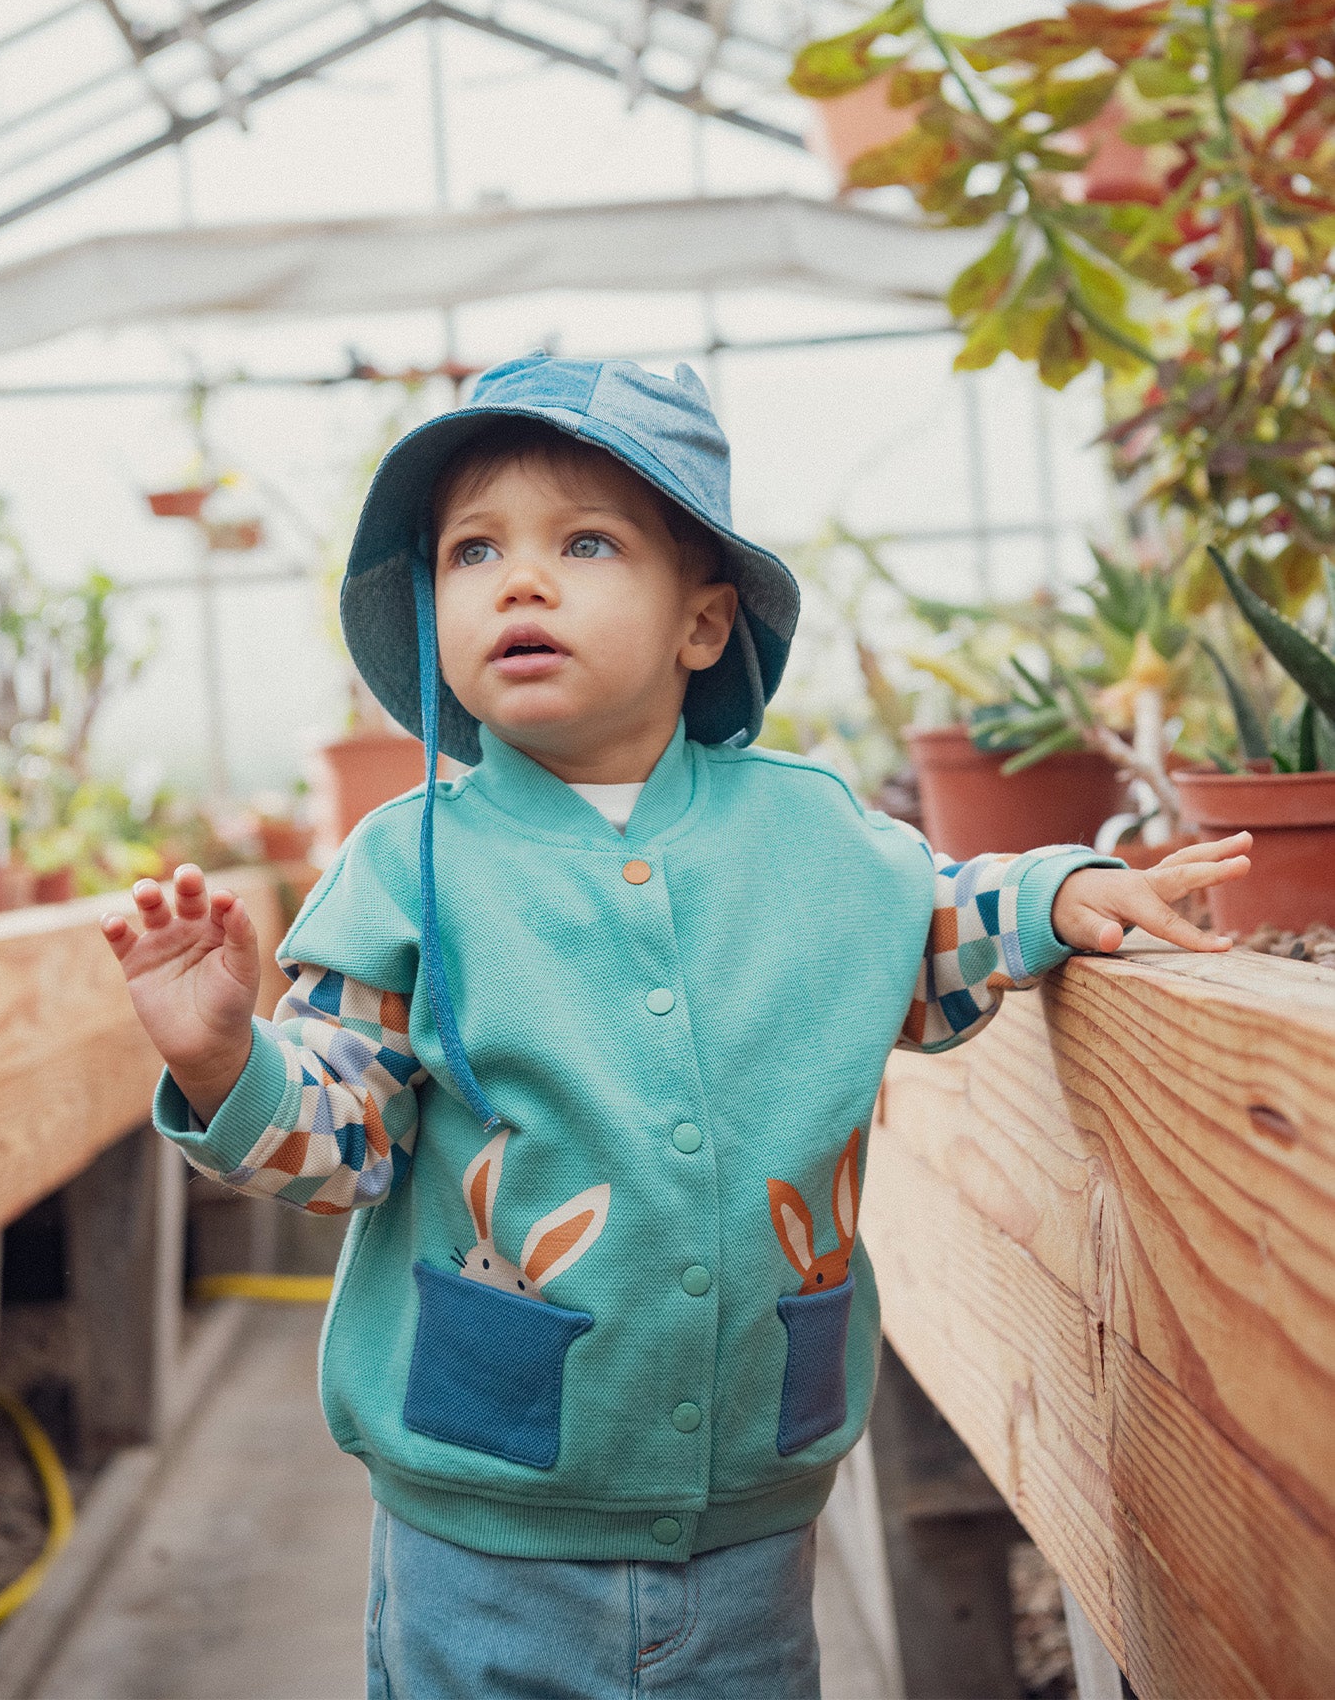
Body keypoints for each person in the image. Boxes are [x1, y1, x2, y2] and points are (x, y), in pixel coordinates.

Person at [104, 352, 1251, 1698]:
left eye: (585, 542)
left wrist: (1070, 887)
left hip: (748, 1523)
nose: (520, 581)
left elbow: (936, 927)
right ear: (433, 614)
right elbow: (342, 1145)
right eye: (475, 551)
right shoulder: (407, 864)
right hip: (485, 1535)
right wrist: (224, 1054)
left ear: (703, 624)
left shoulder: (810, 834)